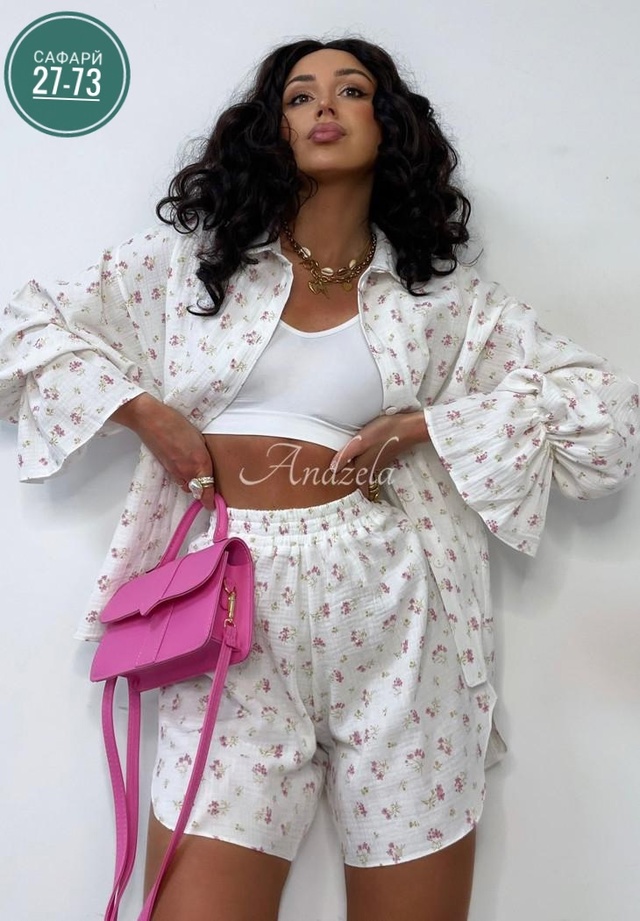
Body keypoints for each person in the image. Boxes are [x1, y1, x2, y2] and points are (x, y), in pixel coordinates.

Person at [0, 36, 638, 921]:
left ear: (389, 124)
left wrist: (429, 425)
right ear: (274, 128)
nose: (324, 106)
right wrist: (145, 413)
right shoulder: (190, 273)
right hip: (227, 611)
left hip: (397, 615)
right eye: (299, 96)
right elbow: (21, 332)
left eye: (352, 90)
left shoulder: (443, 304)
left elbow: (607, 420)